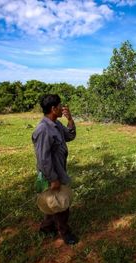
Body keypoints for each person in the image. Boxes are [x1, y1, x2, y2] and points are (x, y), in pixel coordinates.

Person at [32, 94, 78, 245]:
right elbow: (43, 158)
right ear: (53, 109)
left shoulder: (56, 124)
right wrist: (53, 178)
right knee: (61, 203)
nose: (62, 108)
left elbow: (70, 136)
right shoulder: (43, 130)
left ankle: (46, 227)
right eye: (60, 106)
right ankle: (65, 233)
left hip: (58, 170)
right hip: (51, 173)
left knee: (52, 201)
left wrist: (70, 120)